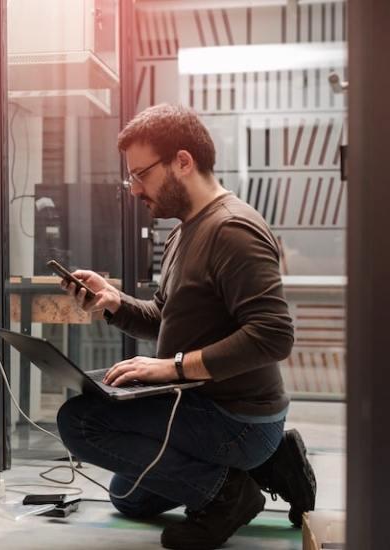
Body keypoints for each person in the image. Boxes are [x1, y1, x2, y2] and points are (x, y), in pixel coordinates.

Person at [56, 104, 316, 550]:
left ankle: (230, 494)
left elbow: (274, 335)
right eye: (131, 178)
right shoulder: (183, 231)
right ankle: (269, 464)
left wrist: (172, 369)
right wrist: (114, 302)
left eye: (142, 174)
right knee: (127, 498)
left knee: (81, 422)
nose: (135, 190)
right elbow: (165, 317)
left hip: (237, 418)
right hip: (203, 404)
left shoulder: (232, 228)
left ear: (182, 161)